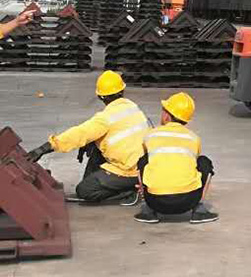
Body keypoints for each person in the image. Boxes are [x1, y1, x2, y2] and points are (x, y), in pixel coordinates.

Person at [26, 70, 148, 205]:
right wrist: (90, 142)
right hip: (144, 167)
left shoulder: (105, 118)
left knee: (85, 191)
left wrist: (44, 148)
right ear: (122, 91)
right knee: (93, 143)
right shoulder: (132, 107)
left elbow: (79, 134)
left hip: (129, 171)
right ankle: (124, 185)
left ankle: (129, 193)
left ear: (100, 97)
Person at [134, 92, 218, 224]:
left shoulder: (151, 135)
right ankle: (199, 210)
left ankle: (148, 211)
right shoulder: (193, 138)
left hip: (155, 201)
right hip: (188, 201)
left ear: (167, 116)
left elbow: (146, 159)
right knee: (204, 162)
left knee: (143, 160)